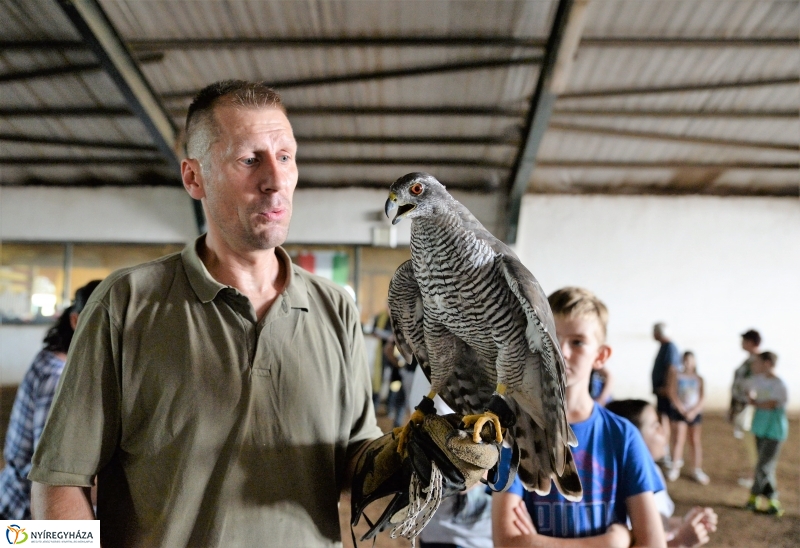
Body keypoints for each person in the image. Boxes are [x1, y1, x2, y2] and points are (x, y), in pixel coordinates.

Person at [28, 81, 385, 547]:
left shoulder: (335, 308)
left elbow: (354, 463)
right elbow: (58, 479)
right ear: (193, 178)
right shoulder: (127, 302)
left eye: (285, 156)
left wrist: (415, 459)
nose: (275, 180)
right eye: (249, 159)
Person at [492, 287, 665, 548]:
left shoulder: (623, 435)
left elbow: (654, 544)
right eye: (549, 337)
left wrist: (536, 543)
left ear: (601, 355)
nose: (561, 352)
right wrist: (611, 543)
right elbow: (507, 543)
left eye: (578, 342)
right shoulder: (516, 432)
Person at [0, 280, 101, 519]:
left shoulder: (58, 359)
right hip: (24, 514)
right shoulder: (57, 379)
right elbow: (49, 473)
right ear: (76, 321)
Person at [606, 399, 718, 548]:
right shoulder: (618, 490)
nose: (664, 431)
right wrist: (679, 542)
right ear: (632, 438)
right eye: (655, 426)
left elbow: (658, 523)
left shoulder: (654, 472)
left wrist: (687, 522)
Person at [744, 351, 789, 517]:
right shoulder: (758, 380)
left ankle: (753, 497)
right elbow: (749, 392)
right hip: (760, 429)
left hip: (774, 432)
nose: (755, 366)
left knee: (763, 466)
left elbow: (771, 405)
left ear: (768, 363)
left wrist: (755, 402)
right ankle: (772, 502)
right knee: (766, 468)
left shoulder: (780, 385)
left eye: (759, 362)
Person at [665, 352, 709, 484]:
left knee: (694, 440)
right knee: (678, 439)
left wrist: (694, 411)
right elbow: (672, 392)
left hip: (694, 413)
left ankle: (696, 469)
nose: (687, 363)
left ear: (694, 362)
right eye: (685, 360)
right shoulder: (677, 376)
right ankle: (674, 467)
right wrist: (682, 409)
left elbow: (702, 396)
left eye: (690, 360)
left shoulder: (699, 378)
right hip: (679, 412)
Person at [729, 329, 761, 487]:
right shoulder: (751, 360)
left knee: (753, 440)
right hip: (745, 405)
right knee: (750, 440)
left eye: (744, 340)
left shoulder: (757, 361)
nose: (741, 343)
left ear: (751, 342)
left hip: (750, 407)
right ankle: (755, 473)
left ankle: (757, 475)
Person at [652, 322, 681, 467]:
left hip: (665, 393)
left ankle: (668, 453)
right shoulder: (664, 347)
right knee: (662, 420)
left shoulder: (670, 347)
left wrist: (668, 388)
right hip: (661, 392)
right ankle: (665, 451)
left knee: (666, 422)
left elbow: (672, 368)